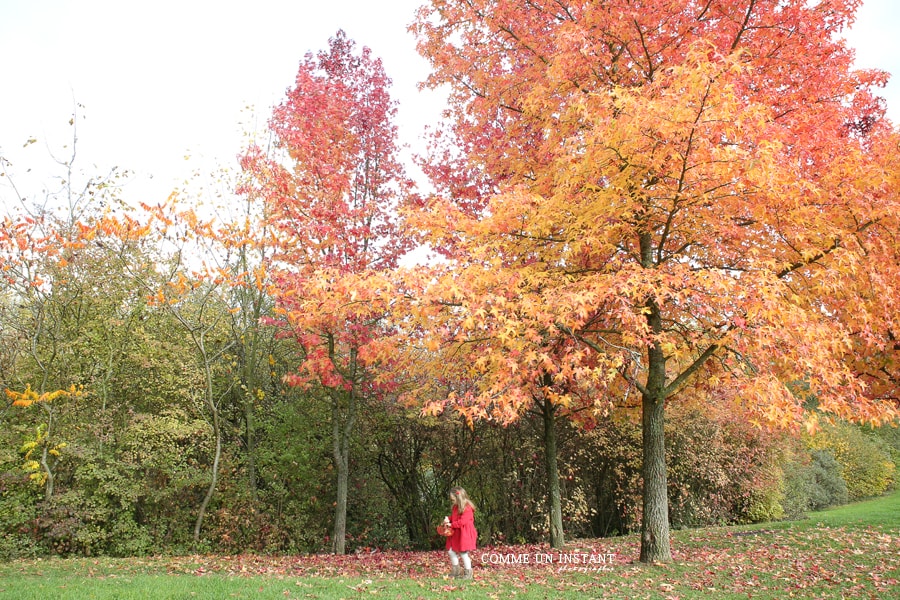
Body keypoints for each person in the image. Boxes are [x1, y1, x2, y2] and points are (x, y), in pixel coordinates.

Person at [443, 486, 477, 579]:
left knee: (463, 553)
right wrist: (448, 519)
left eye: (453, 499)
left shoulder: (467, 508)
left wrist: (451, 525)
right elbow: (454, 517)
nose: (452, 501)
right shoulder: (455, 507)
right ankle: (456, 570)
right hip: (457, 532)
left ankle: (468, 572)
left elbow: (462, 522)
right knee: (450, 550)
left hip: (464, 533)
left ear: (458, 498)